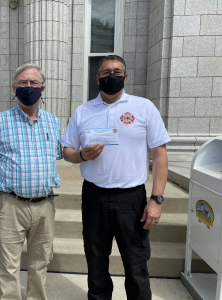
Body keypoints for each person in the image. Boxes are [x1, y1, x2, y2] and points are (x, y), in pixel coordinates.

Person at [62, 55, 170, 300]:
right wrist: (82, 155)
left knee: (136, 263)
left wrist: (156, 199)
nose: (112, 76)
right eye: (107, 72)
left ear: (126, 76)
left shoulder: (144, 107)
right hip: (94, 197)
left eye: (117, 71)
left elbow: (160, 155)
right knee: (96, 261)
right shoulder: (83, 111)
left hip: (131, 199)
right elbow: (67, 152)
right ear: (97, 77)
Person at [0, 63, 62, 300]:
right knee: (9, 265)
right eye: (23, 82)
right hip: (11, 204)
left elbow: (56, 157)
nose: (28, 87)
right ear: (14, 87)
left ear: (43, 88)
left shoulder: (54, 122)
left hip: (45, 204)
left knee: (40, 262)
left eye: (34, 83)